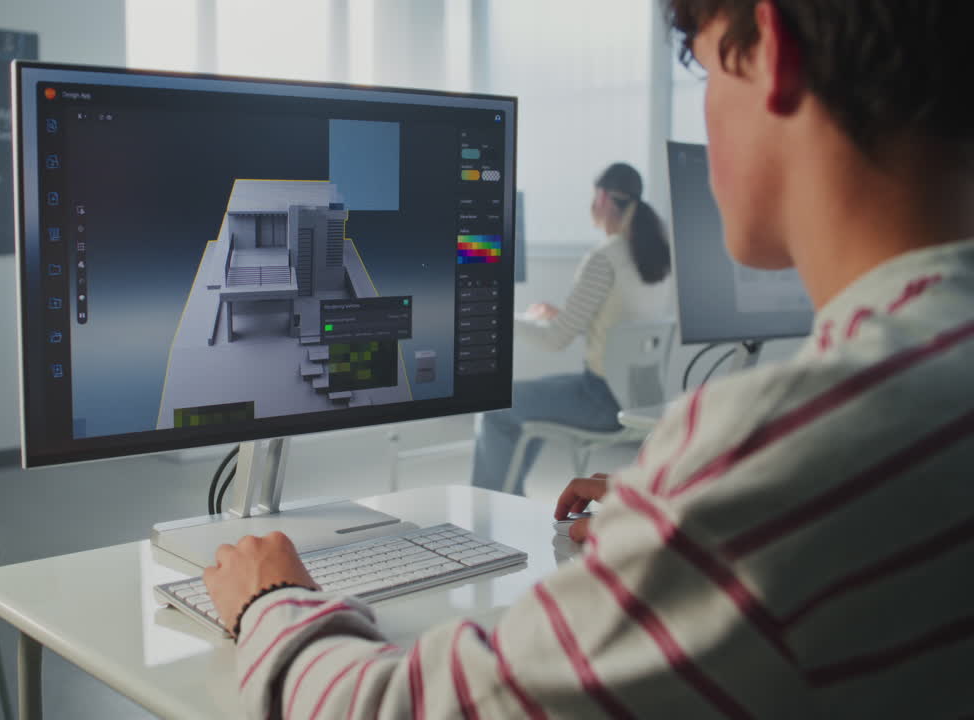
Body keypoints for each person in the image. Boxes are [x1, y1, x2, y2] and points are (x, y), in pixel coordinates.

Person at [202, 1, 974, 716]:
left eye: (703, 71)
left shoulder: (780, 447)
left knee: (504, 408)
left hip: (592, 399)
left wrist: (269, 599)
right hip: (631, 414)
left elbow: (401, 708)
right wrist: (682, 515)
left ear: (771, 53)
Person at [471, 162, 671, 495]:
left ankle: (485, 505)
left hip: (599, 399)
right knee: (523, 411)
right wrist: (566, 314)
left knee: (497, 405)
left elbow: (554, 340)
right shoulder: (653, 254)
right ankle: (510, 496)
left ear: (603, 197)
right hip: (639, 398)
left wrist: (498, 315)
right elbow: (622, 324)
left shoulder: (604, 256)